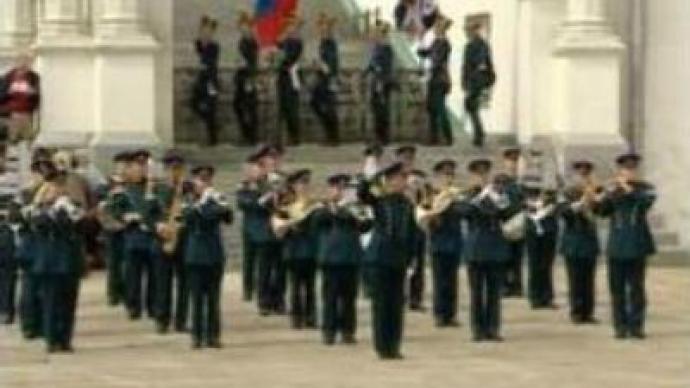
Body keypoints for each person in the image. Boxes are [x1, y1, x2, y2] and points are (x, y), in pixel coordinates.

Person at [358, 161, 416, 360]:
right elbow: (363, 194)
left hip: (398, 259)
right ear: (390, 181)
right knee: (382, 304)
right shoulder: (380, 201)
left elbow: (411, 233)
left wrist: (412, 258)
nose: (403, 182)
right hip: (380, 257)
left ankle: (394, 345)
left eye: (404, 179)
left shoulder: (407, 204)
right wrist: (373, 176)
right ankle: (382, 346)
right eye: (400, 178)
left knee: (396, 305)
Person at [597, 153, 656, 340]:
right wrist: (596, 196)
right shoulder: (613, 191)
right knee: (617, 289)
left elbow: (645, 203)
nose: (628, 172)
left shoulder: (645, 189)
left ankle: (636, 325)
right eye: (625, 169)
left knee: (637, 288)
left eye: (631, 168)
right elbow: (602, 211)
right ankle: (620, 326)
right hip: (617, 246)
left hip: (637, 244)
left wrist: (626, 187)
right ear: (620, 169)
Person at [26, 169, 85, 353]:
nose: (56, 189)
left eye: (60, 185)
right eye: (52, 185)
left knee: (69, 302)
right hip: (48, 261)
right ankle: (51, 339)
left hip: (69, 260)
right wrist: (47, 208)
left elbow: (81, 225)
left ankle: (65, 339)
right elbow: (37, 224)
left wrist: (67, 209)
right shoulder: (37, 209)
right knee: (50, 302)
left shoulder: (72, 206)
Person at [314, 174, 370, 345]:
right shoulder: (322, 207)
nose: (340, 191)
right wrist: (334, 208)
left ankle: (348, 331)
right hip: (330, 258)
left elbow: (366, 225)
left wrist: (353, 209)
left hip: (350, 256)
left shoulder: (355, 208)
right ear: (330, 190)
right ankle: (329, 331)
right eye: (336, 188)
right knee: (329, 297)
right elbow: (317, 222)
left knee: (349, 298)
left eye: (343, 188)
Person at [105, 150, 161, 320]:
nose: (141, 170)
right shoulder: (123, 190)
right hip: (133, 237)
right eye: (137, 167)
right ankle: (133, 306)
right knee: (132, 276)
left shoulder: (154, 188)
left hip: (151, 238)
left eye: (144, 167)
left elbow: (160, 209)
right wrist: (124, 217)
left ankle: (153, 307)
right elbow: (114, 209)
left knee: (154, 276)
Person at [460, 159, 511, 342]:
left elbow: (508, 213)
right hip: (476, 247)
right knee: (476, 292)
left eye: (485, 173)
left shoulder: (498, 193)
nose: (482, 176)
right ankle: (477, 329)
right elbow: (463, 213)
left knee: (494, 292)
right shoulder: (468, 195)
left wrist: (496, 196)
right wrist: (478, 198)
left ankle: (493, 327)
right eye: (478, 173)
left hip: (495, 246)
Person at [183, 165, 233, 349]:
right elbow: (188, 217)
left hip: (213, 254)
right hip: (194, 255)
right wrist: (203, 204)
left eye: (206, 179)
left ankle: (213, 335)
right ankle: (197, 336)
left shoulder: (217, 199)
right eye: (200, 179)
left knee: (213, 298)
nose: (203, 183)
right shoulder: (187, 199)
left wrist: (210, 204)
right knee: (196, 298)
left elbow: (226, 216)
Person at [416, 159, 464, 327]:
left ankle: (451, 314)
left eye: (450, 174)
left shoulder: (456, 195)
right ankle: (440, 314)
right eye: (445, 174)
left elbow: (461, 213)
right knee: (439, 280)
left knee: (452, 280)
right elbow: (424, 214)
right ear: (438, 176)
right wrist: (432, 216)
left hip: (454, 241)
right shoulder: (432, 195)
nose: (448, 177)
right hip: (438, 241)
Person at [274, 169, 320, 329]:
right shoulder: (286, 205)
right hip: (293, 248)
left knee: (310, 285)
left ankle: (311, 316)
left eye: (306, 182)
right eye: (301, 183)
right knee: (295, 285)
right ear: (293, 186)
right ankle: (297, 317)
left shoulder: (314, 204)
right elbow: (278, 230)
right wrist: (290, 223)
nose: (304, 186)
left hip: (311, 248)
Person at [151, 152, 189, 334]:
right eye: (171, 168)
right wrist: (157, 225)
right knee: (162, 282)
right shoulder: (157, 189)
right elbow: (149, 211)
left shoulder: (188, 189)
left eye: (178, 168)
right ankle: (162, 319)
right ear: (165, 169)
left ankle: (181, 320)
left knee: (185, 283)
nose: (175, 172)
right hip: (163, 238)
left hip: (184, 240)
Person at [560, 160, 602, 324]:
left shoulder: (594, 192)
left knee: (589, 280)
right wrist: (581, 202)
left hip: (589, 241)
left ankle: (588, 312)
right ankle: (576, 312)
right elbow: (564, 212)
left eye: (587, 172)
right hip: (573, 242)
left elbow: (600, 211)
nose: (584, 175)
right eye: (581, 172)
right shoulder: (568, 193)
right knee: (575, 279)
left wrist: (594, 198)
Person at [396, 146, 426, 311]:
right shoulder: (393, 178)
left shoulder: (419, 178)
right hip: (399, 224)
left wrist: (419, 190)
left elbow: (427, 202)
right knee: (399, 261)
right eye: (404, 158)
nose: (408, 161)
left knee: (418, 262)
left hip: (416, 223)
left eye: (410, 158)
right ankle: (399, 296)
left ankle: (416, 298)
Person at [98, 152, 129, 307]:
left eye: (126, 165)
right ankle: (113, 293)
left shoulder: (131, 183)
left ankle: (126, 292)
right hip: (111, 228)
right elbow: (101, 203)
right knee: (113, 263)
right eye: (120, 165)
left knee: (127, 263)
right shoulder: (108, 183)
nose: (123, 168)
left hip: (127, 228)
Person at [418, 16, 453, 146]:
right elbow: (424, 53)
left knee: (439, 108)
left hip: (439, 79)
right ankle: (434, 137)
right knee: (432, 109)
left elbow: (437, 61)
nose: (436, 29)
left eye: (438, 27)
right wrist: (421, 44)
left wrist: (428, 69)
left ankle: (446, 137)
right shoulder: (436, 42)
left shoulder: (443, 43)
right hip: (435, 78)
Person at [524, 185, 559, 309]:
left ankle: (547, 297)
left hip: (549, 230)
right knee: (534, 264)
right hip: (532, 230)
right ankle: (535, 297)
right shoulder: (527, 191)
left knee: (547, 264)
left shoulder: (551, 194)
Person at [462, 22, 495, 148]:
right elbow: (465, 66)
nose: (468, 33)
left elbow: (480, 64)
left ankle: (479, 134)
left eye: (470, 30)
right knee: (471, 106)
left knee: (471, 106)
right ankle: (479, 133)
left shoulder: (480, 45)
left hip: (477, 80)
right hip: (473, 80)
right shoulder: (473, 45)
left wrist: (472, 81)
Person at [236, 155, 264, 301]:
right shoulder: (243, 186)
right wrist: (257, 200)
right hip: (249, 227)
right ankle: (247, 289)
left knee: (261, 263)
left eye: (255, 169)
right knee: (249, 260)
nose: (253, 172)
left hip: (262, 227)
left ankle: (260, 289)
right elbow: (242, 204)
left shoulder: (265, 186)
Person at [311, 14, 341, 146]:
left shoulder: (331, 44)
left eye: (324, 29)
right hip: (321, 79)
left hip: (329, 79)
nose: (322, 32)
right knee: (316, 103)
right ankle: (329, 134)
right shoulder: (322, 43)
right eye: (321, 29)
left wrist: (321, 65)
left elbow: (332, 64)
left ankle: (333, 137)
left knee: (329, 108)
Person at [500, 147, 526, 297]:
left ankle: (517, 285)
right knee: (505, 256)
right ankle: (504, 285)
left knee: (517, 257)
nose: (513, 164)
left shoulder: (521, 183)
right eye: (510, 161)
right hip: (505, 223)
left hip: (519, 225)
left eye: (516, 161)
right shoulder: (501, 181)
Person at [192, 16, 221, 146]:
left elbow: (211, 62)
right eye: (204, 30)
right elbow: (197, 51)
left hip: (210, 80)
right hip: (201, 80)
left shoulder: (214, 46)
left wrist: (205, 66)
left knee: (211, 108)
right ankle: (207, 133)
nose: (206, 33)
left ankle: (212, 138)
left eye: (209, 31)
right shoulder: (198, 44)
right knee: (196, 103)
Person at [0, 50, 41, 144]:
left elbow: (37, 98)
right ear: (16, 62)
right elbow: (1, 95)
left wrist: (32, 93)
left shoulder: (34, 77)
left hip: (27, 114)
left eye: (27, 61)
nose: (24, 64)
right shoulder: (7, 77)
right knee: (12, 142)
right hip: (11, 115)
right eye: (22, 61)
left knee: (28, 141)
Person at [276, 17, 304, 146]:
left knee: (292, 107)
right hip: (282, 76)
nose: (289, 29)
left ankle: (295, 136)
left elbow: (289, 58)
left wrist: (281, 57)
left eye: (292, 26)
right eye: (288, 26)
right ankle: (284, 135)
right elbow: (276, 46)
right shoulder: (285, 41)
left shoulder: (297, 42)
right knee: (283, 107)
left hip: (292, 77)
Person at [366, 21, 395, 145]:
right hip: (375, 81)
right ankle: (377, 134)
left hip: (382, 82)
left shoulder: (387, 48)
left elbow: (386, 67)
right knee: (376, 109)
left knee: (382, 109)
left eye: (375, 33)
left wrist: (381, 81)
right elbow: (372, 65)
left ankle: (384, 137)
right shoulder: (376, 48)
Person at [233, 12, 260, 146]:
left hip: (249, 77)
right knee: (238, 105)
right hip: (241, 77)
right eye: (241, 27)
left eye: (245, 27)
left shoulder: (252, 42)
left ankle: (251, 137)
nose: (243, 30)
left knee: (250, 107)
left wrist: (250, 79)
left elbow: (253, 63)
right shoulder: (242, 41)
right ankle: (246, 134)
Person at [0, 209, 17, 325]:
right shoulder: (10, 232)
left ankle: (7, 312)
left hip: (7, 265)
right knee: (7, 290)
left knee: (7, 289)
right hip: (8, 265)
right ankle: (6, 312)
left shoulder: (8, 232)